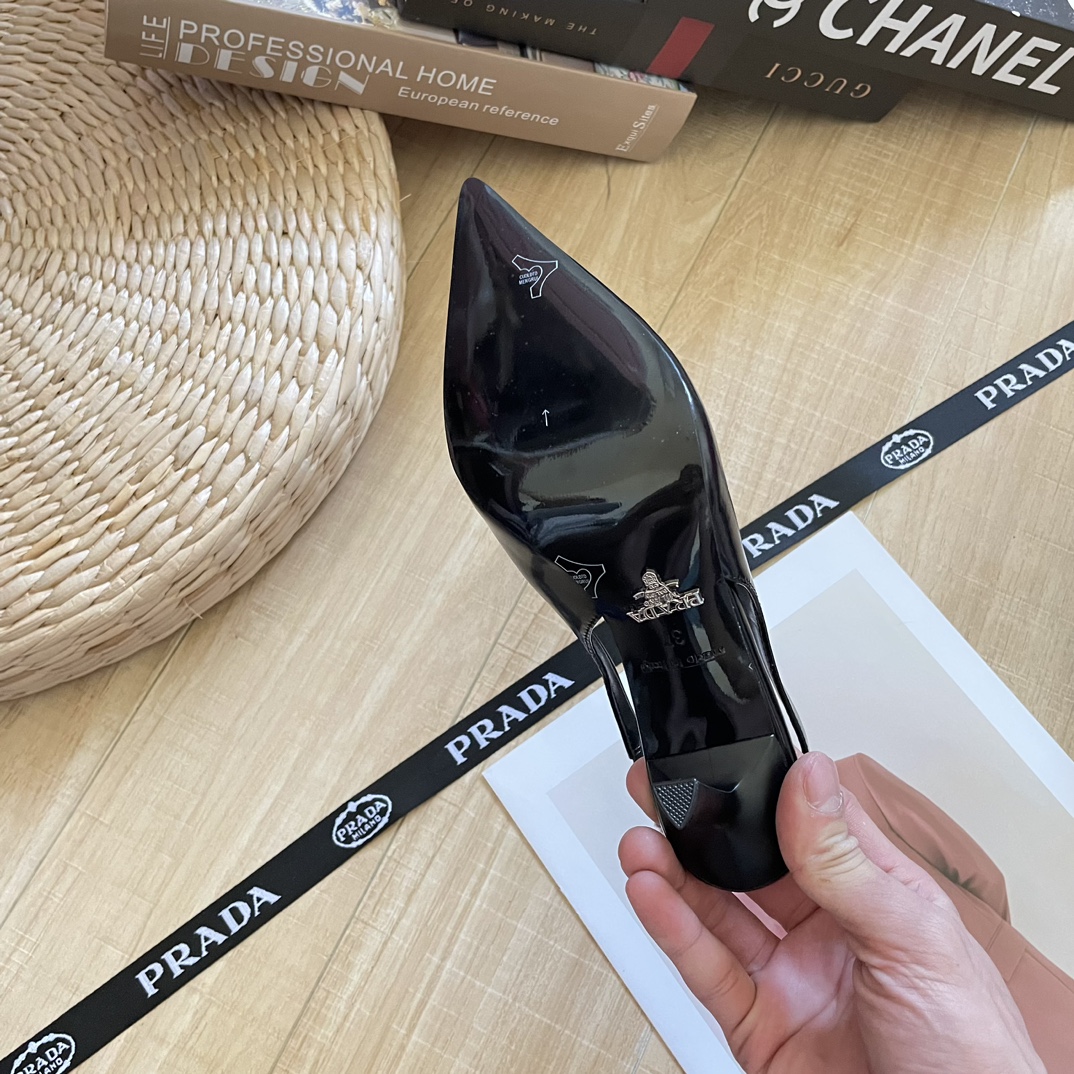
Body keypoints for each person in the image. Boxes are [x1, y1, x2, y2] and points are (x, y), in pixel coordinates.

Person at [619, 751, 1048, 1074]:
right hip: (1014, 1002)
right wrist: (973, 955)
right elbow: (982, 878)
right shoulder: (840, 796)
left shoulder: (703, 865)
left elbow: (979, 876)